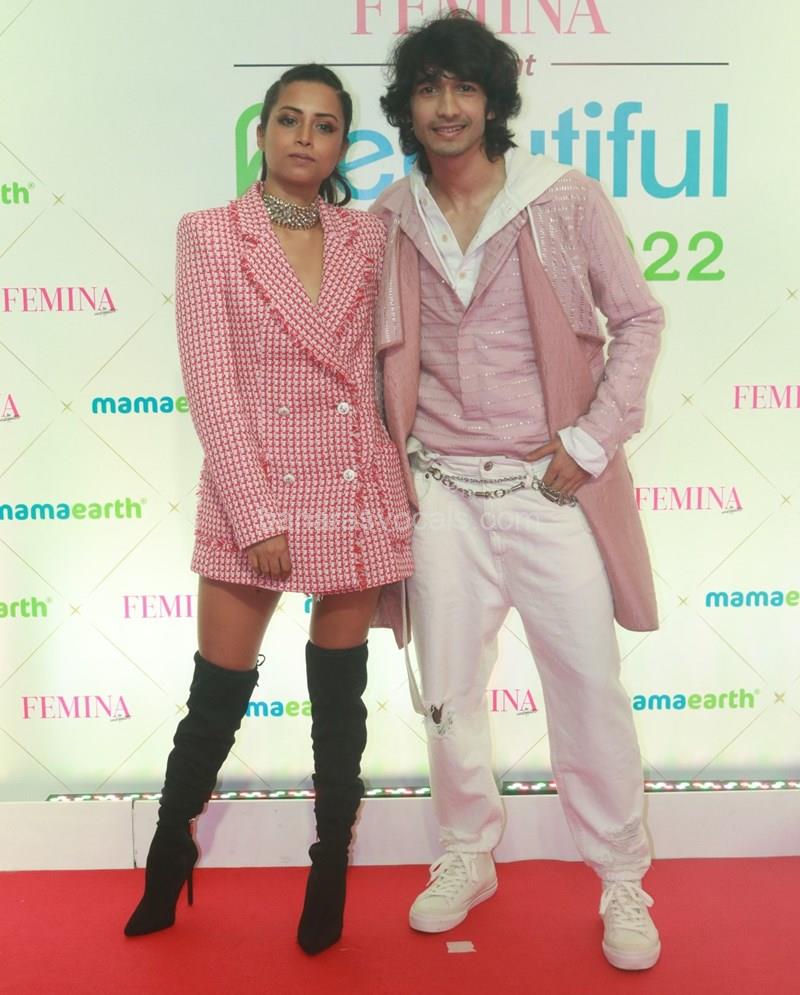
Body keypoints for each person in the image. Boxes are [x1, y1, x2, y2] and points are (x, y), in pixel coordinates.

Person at [372, 11, 664, 971]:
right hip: (439, 493)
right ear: (408, 106)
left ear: (493, 100)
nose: (447, 106)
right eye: (428, 88)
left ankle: (622, 877)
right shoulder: (390, 216)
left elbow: (638, 318)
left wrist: (589, 439)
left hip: (548, 489)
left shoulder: (562, 199)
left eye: (464, 87)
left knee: (587, 683)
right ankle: (467, 851)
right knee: (449, 689)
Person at [124, 64, 413, 955]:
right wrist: (256, 515)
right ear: (262, 132)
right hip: (253, 489)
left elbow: (386, 364)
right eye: (289, 119)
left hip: (354, 484)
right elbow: (211, 382)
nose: (303, 137)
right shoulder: (210, 233)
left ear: (342, 145)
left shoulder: (369, 236)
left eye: (324, 125)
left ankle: (329, 867)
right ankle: (170, 849)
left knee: (340, 705)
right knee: (216, 695)